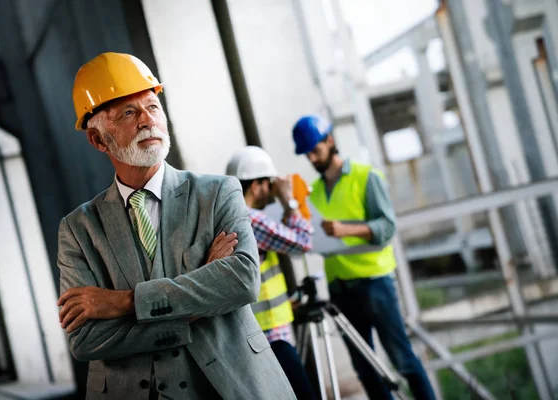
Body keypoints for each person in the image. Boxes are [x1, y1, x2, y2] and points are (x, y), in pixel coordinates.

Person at [56, 52, 296, 400]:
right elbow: (85, 339)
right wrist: (201, 298)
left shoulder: (218, 193)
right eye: (128, 112)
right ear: (97, 139)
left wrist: (124, 302)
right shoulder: (78, 229)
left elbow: (242, 281)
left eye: (153, 107)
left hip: (235, 387)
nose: (147, 121)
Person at [292, 115, 437, 400]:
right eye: (307, 153)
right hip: (340, 289)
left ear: (330, 140)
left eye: (315, 150)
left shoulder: (366, 176)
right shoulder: (315, 193)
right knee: (364, 369)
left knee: (404, 361)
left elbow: (387, 227)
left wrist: (346, 229)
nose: (311, 157)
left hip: (375, 284)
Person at [226, 146, 318, 400]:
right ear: (255, 186)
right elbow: (302, 242)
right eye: (268, 183)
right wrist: (289, 201)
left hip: (260, 332)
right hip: (270, 335)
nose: (271, 189)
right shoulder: (251, 220)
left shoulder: (228, 216)